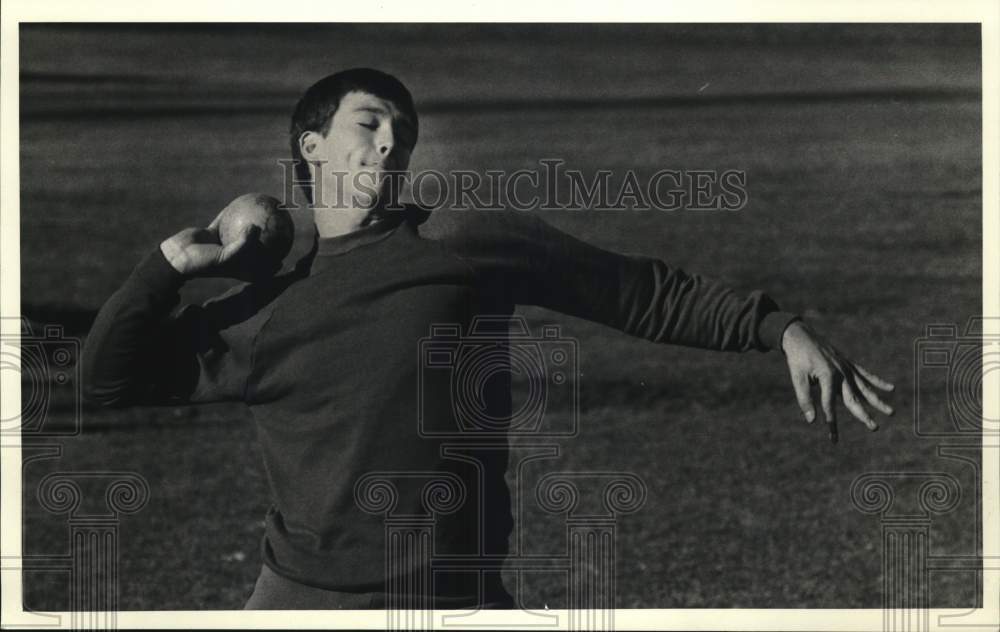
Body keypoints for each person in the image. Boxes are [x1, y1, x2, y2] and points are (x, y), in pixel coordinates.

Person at [80, 68, 895, 610]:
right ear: (311, 146)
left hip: (450, 592)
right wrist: (174, 264)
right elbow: (105, 380)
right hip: (300, 598)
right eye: (369, 123)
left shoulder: (465, 242)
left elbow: (634, 291)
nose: (392, 141)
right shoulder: (269, 308)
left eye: (404, 129)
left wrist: (775, 326)